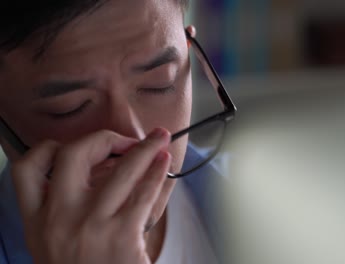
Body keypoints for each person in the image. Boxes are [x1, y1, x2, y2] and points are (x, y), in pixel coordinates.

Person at [0, 0, 235, 263]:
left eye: (159, 82)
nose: (135, 139)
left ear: (189, 54)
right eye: (69, 108)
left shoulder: (275, 200)